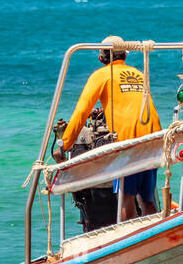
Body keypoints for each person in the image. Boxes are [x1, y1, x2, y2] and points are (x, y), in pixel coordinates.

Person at [57, 36, 161, 219]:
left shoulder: (101, 75)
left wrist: (64, 145)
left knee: (126, 197)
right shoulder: (137, 73)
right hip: (154, 137)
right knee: (147, 200)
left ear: (101, 58)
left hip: (129, 141)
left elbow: (82, 111)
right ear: (125, 55)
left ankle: (130, 241)